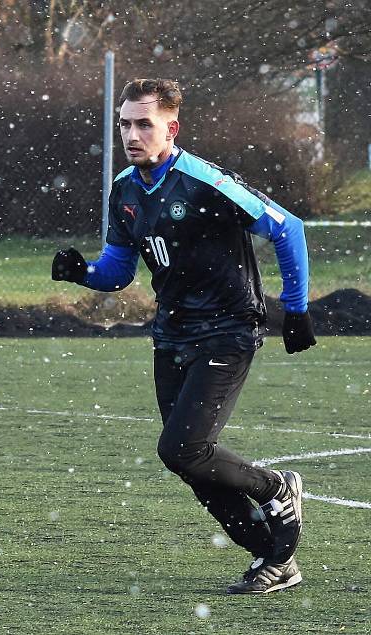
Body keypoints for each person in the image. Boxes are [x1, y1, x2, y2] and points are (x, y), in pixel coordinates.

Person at [52, 78, 316, 594]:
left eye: (143, 124)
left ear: (172, 128)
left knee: (183, 450)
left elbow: (289, 229)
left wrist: (298, 311)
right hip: (172, 334)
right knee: (193, 467)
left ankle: (276, 487)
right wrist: (81, 272)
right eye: (125, 123)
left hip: (228, 330)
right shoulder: (126, 189)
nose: (131, 133)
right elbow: (118, 271)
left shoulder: (204, 182)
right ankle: (273, 558)